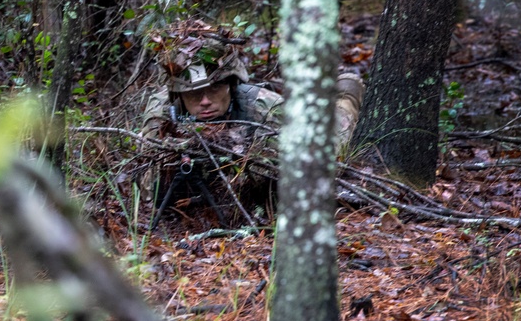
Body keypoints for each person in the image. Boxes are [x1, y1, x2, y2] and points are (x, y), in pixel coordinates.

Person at [137, 32, 364, 204]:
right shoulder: (163, 113)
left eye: (215, 88)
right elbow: (146, 186)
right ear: (178, 95)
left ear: (232, 84)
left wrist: (257, 168)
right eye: (194, 93)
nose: (205, 100)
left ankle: (345, 96)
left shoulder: (263, 107)